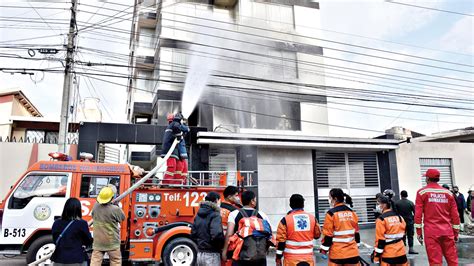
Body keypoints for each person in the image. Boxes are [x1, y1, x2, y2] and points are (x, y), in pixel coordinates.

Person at [414, 168, 460, 266]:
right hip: (447, 231)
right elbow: (455, 215)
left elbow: (418, 215)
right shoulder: (448, 193)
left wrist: (418, 232)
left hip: (431, 232)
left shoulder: (422, 192)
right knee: (453, 260)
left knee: (435, 262)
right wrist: (456, 232)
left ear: (427, 178)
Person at [222, 190, 272, 266]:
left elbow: (229, 234)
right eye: (255, 199)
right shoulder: (262, 215)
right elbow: (269, 235)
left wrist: (224, 252)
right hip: (259, 257)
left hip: (239, 256)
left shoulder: (234, 214)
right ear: (252, 201)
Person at [276, 194, 321, 266]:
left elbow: (281, 242)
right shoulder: (312, 218)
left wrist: (278, 258)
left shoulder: (285, 220)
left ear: (290, 205)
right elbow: (317, 235)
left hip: (291, 260)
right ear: (303, 204)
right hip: (308, 259)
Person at [320, 188, 361, 266]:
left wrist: (324, 249)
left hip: (337, 254)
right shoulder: (352, 213)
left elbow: (328, 235)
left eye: (330, 197)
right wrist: (357, 246)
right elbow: (356, 233)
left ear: (335, 199)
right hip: (352, 253)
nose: (329, 200)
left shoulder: (331, 214)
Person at [90, 186, 126, 266]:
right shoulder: (115, 209)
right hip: (112, 242)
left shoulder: (96, 206)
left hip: (98, 242)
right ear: (112, 197)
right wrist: (117, 206)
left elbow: (93, 215)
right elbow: (122, 218)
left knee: (95, 262)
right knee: (115, 261)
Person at [51, 198, 93, 266]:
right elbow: (88, 241)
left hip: (58, 259)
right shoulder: (82, 223)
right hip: (77, 259)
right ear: (78, 209)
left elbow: (55, 239)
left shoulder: (56, 223)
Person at [371, 195, 408, 265]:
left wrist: (376, 258)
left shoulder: (381, 219)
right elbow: (404, 234)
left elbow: (380, 241)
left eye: (378, 204)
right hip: (401, 252)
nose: (377, 206)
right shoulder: (400, 217)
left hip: (388, 254)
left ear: (384, 205)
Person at [191, 191, 225, 266]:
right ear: (216, 200)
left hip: (200, 254)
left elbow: (193, 233)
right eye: (219, 201)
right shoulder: (215, 215)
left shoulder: (198, 215)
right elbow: (216, 235)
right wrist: (221, 246)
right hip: (212, 255)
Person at [161, 113, 186, 185]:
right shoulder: (174, 125)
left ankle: (179, 182)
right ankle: (166, 183)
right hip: (170, 151)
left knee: (182, 167)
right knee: (172, 166)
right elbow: (176, 127)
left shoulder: (174, 127)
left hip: (176, 151)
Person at [220, 186, 242, 266]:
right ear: (229, 197)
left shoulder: (217, 208)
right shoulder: (234, 211)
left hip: (217, 242)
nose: (238, 198)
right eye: (236, 195)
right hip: (229, 244)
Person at [394, 190, 418, 254]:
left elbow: (395, 213)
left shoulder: (397, 203)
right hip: (409, 222)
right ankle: (411, 249)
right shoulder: (410, 203)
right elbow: (415, 212)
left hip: (400, 222)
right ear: (407, 195)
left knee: (401, 235)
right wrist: (413, 220)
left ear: (400, 195)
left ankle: (402, 249)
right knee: (410, 235)